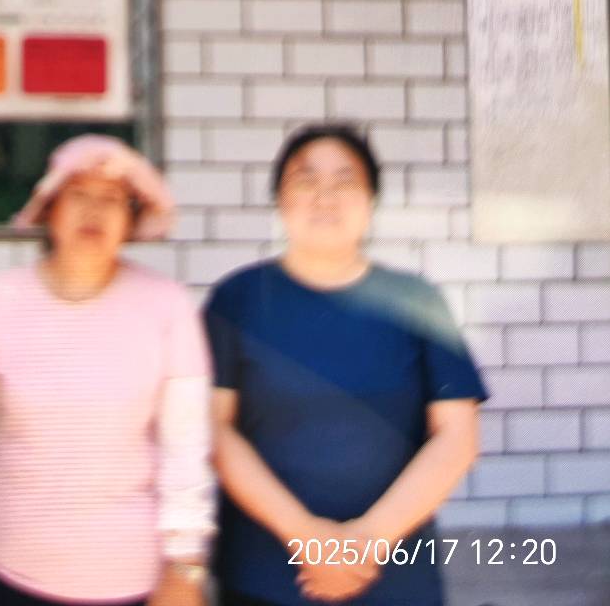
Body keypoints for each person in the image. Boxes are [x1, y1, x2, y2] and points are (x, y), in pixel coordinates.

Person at [204, 123, 488, 606]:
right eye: (306, 180)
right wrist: (305, 535)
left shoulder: (417, 301)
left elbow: (457, 438)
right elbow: (215, 431)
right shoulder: (237, 300)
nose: (325, 197)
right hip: (263, 575)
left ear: (371, 201)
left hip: (393, 577)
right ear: (279, 200)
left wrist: (367, 541)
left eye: (345, 181)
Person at [0, 133, 215, 606]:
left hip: (131, 582)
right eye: (78, 194)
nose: (94, 211)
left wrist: (185, 567)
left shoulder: (167, 305)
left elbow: (185, 449)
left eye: (112, 199)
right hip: (8, 575)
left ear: (131, 218)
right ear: (50, 209)